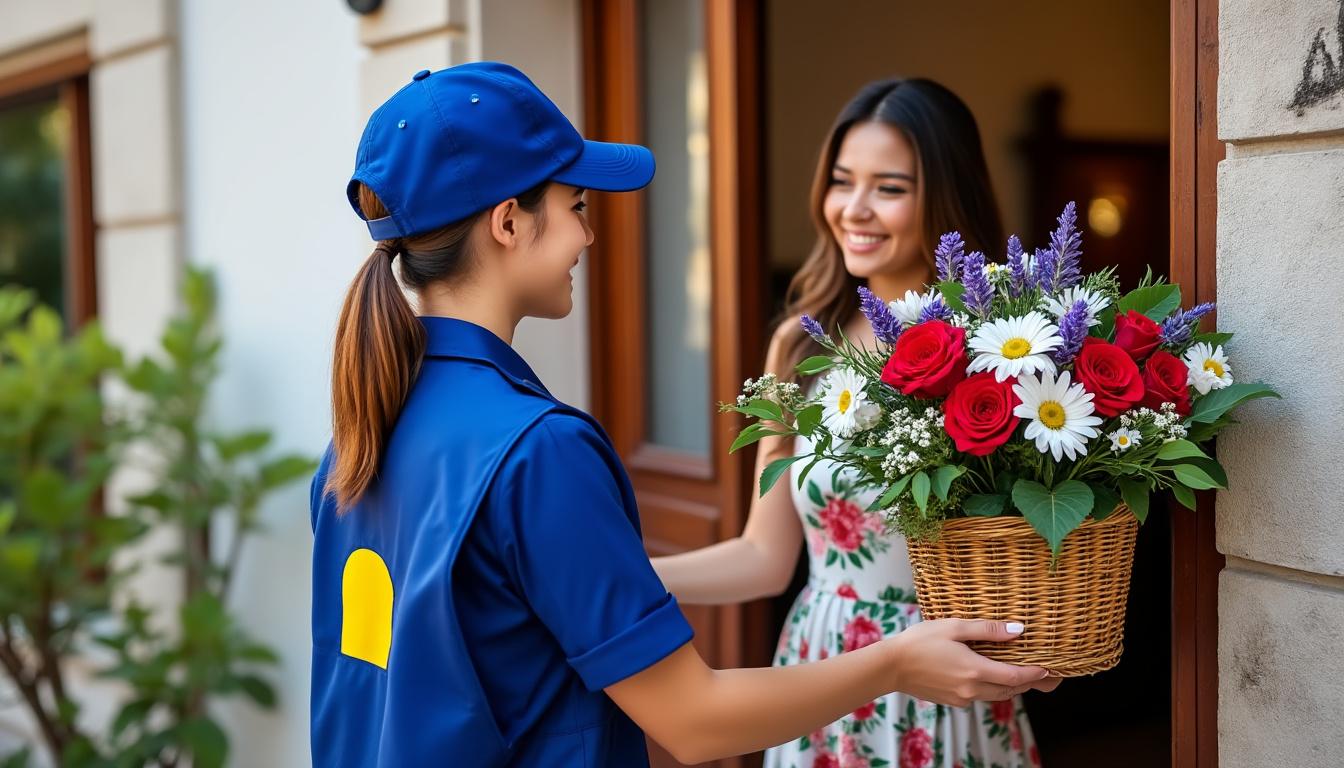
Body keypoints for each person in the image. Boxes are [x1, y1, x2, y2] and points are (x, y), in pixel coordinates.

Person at [309, 63, 1056, 768]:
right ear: (509, 223)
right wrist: (894, 660)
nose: (590, 236)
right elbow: (694, 720)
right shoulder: (538, 448)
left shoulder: (360, 438)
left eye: (887, 186)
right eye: (576, 208)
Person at [653, 78, 1044, 767]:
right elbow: (764, 558)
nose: (853, 209)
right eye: (841, 181)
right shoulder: (799, 346)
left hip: (944, 680)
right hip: (818, 674)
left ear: (944, 196)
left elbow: (1032, 550)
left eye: (889, 187)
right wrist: (627, 576)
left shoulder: (1003, 345)